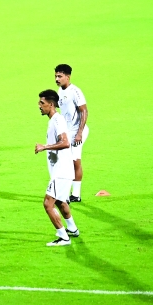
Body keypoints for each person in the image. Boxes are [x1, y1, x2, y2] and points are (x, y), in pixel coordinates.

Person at [35, 90, 80, 247]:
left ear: (51, 104)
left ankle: (63, 237)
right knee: (61, 201)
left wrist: (44, 147)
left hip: (61, 171)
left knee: (48, 204)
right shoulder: (53, 120)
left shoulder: (57, 120)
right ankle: (72, 229)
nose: (39, 106)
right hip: (62, 170)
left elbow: (65, 142)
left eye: (42, 103)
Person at [55, 64, 90, 203]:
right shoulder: (60, 90)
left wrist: (79, 133)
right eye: (56, 76)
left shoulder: (75, 91)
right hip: (68, 131)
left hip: (77, 131)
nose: (57, 79)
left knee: (74, 161)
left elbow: (84, 111)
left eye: (60, 76)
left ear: (68, 77)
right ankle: (70, 194)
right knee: (66, 161)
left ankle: (74, 194)